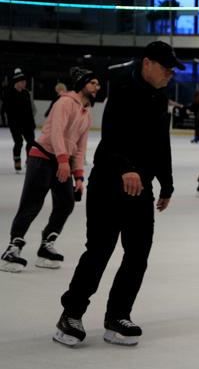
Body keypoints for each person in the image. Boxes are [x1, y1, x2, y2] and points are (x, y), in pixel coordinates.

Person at [55, 41, 182, 347]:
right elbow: (112, 137)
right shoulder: (123, 88)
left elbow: (159, 142)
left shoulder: (158, 96)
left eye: (172, 70)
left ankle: (117, 316)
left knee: (138, 255)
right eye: (166, 68)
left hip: (142, 189)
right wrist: (126, 168)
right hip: (110, 183)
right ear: (148, 63)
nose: (170, 74)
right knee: (99, 250)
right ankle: (70, 314)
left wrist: (166, 182)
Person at [0, 68, 98, 273]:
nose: (97, 87)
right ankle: (13, 248)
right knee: (32, 204)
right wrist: (62, 160)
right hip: (42, 158)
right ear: (82, 84)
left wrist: (78, 175)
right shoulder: (65, 103)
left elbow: (80, 149)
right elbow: (56, 133)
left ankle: (46, 245)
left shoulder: (86, 114)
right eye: (93, 83)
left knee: (66, 203)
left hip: (60, 161)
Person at [4, 68, 36, 172]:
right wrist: (11, 122)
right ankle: (17, 160)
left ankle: (29, 160)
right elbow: (7, 110)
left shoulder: (26, 93)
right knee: (19, 142)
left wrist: (32, 122)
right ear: (17, 82)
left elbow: (30, 110)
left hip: (28, 123)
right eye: (22, 82)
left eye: (25, 81)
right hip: (15, 124)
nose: (25, 83)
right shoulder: (9, 93)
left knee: (31, 142)